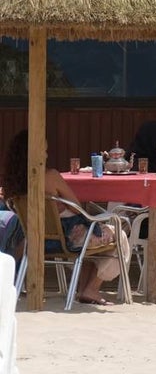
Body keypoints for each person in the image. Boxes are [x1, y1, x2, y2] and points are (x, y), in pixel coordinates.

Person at [2, 130, 128, 306]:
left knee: (93, 238)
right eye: (44, 151)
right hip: (68, 239)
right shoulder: (51, 176)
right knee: (118, 234)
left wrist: (57, 207)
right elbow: (76, 207)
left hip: (35, 240)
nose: (46, 155)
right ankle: (91, 288)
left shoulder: (14, 182)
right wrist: (64, 206)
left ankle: (83, 290)